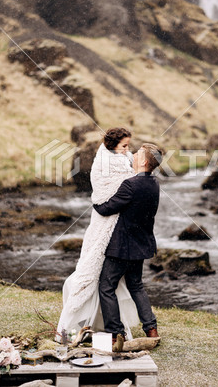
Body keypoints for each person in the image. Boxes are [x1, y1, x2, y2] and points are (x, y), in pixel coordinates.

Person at [56, 128, 140, 341]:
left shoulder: (124, 159)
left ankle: (103, 325)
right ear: (112, 146)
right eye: (124, 146)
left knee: (107, 278)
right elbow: (106, 193)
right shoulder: (107, 163)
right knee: (92, 270)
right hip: (104, 221)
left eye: (128, 145)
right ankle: (81, 323)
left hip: (114, 220)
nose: (128, 150)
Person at [93, 143, 163, 342]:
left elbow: (107, 208)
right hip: (141, 245)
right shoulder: (154, 183)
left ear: (143, 161)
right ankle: (151, 329)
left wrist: (95, 200)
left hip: (122, 247)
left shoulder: (130, 184)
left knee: (106, 287)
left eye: (138, 153)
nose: (132, 155)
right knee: (136, 285)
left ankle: (116, 333)